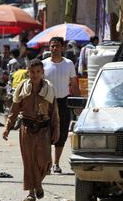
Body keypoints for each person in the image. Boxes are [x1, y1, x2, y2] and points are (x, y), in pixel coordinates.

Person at [2, 59, 60, 201]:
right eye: (32, 72)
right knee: (29, 162)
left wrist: (56, 129)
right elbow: (14, 110)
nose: (35, 75)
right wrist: (7, 127)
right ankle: (32, 192)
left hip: (44, 130)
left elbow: (54, 113)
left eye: (38, 72)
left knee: (45, 161)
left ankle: (38, 183)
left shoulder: (48, 89)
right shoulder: (22, 88)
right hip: (26, 129)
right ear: (28, 72)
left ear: (42, 73)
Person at [42, 37, 80, 174]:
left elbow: (74, 85)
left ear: (62, 48)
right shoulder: (43, 64)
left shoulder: (69, 64)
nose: (54, 49)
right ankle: (47, 163)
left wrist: (78, 103)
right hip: (46, 103)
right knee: (45, 133)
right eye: (52, 46)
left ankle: (56, 164)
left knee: (62, 133)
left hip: (63, 102)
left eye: (57, 46)